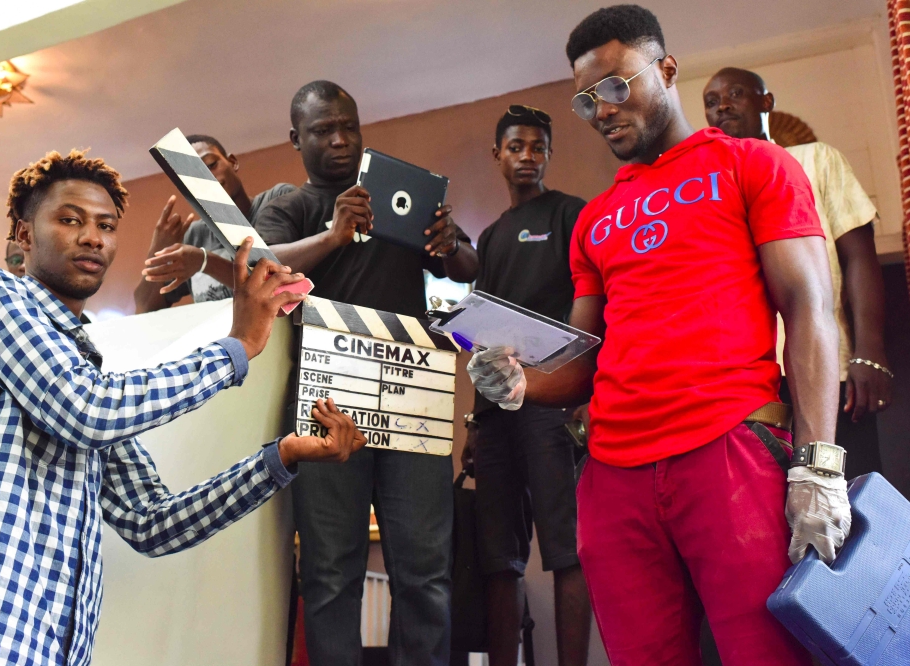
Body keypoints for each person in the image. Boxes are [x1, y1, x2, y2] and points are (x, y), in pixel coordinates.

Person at [468, 6, 849, 665]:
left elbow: (811, 307)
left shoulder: (751, 163)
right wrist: (518, 384)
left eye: (616, 86)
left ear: (666, 69)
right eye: (588, 100)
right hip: (614, 478)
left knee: (766, 654)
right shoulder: (597, 219)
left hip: (729, 448)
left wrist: (820, 465)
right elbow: (582, 362)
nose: (603, 110)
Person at [0, 149, 367, 665]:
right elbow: (86, 411)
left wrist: (281, 457)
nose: (92, 237)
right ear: (23, 234)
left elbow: (154, 522)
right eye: (69, 220)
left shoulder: (88, 374)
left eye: (106, 225)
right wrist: (236, 347)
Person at [254, 80, 478, 666]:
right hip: (326, 404)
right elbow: (261, 271)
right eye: (322, 130)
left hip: (413, 402)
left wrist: (451, 244)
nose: (338, 139)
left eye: (347, 126)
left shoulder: (399, 194)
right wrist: (333, 234)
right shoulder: (289, 204)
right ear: (295, 138)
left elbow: (469, 266)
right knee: (331, 571)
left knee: (426, 572)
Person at [703, 67, 892, 479]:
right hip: (746, 383)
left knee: (850, 504)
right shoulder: (710, 186)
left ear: (766, 102)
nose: (723, 106)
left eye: (735, 93)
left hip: (827, 366)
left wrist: (871, 352)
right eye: (712, 102)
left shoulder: (815, 158)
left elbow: (859, 257)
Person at [461, 105, 591, 666]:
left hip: (551, 406)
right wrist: (473, 418)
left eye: (538, 147)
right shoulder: (489, 237)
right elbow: (481, 337)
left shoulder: (571, 215)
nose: (528, 157)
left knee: (567, 549)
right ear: (498, 155)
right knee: (498, 557)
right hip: (495, 418)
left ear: (548, 155)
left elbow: (590, 315)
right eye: (517, 147)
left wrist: (575, 394)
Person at [133, 134, 296, 313]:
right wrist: (156, 251)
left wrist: (204, 261)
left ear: (233, 162)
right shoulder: (194, 236)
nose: (206, 178)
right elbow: (144, 307)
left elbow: (278, 287)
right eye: (193, 177)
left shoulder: (276, 200)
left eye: (211, 165)